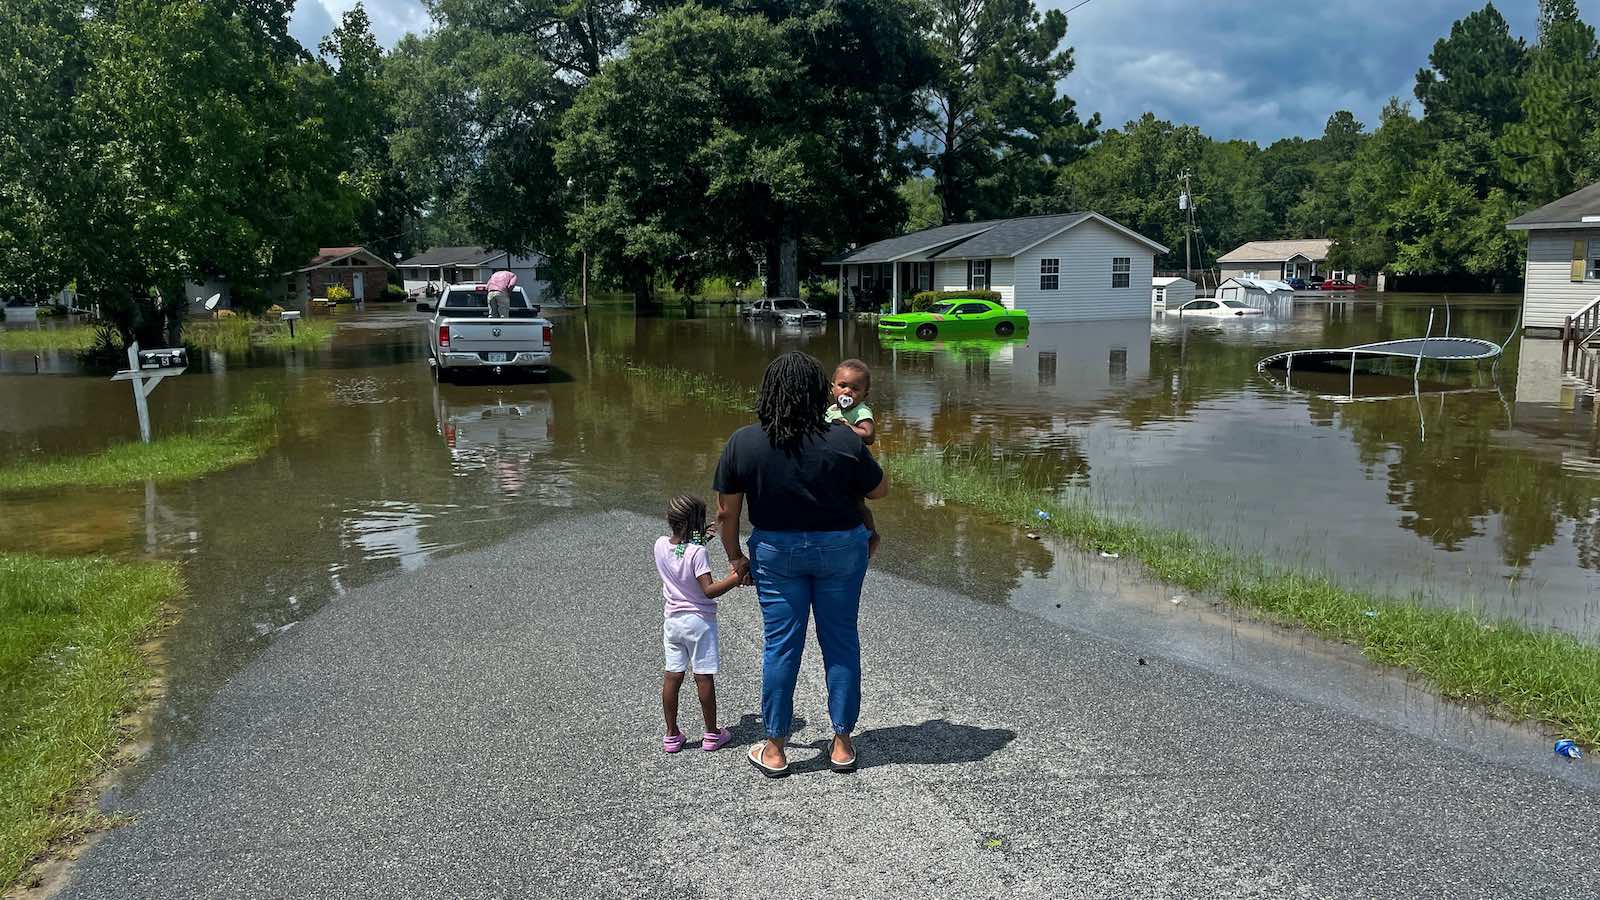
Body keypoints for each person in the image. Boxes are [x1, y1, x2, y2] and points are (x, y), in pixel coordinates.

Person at [714, 351, 889, 778]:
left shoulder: (744, 441)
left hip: (777, 553)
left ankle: (775, 748)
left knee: (781, 646)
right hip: (841, 551)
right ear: (818, 393)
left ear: (768, 392)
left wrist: (736, 557)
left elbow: (726, 513)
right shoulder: (844, 439)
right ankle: (843, 743)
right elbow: (880, 490)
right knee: (841, 641)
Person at [655, 495, 742, 754]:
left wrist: (701, 538)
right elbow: (709, 590)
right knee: (703, 677)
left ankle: (671, 736)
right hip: (699, 623)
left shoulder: (660, 545)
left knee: (673, 676)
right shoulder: (698, 552)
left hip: (673, 622)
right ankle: (711, 734)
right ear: (695, 523)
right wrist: (736, 578)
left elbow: (679, 551)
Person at [826, 359, 881, 557]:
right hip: (835, 464)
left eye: (855, 388)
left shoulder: (861, 411)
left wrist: (847, 427)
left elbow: (869, 435)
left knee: (857, 502)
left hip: (854, 464)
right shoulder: (831, 411)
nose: (847, 392)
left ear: (864, 394)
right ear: (833, 388)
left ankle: (871, 533)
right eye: (842, 386)